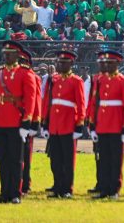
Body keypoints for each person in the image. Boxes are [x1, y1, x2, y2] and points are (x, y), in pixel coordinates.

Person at [0, 41, 37, 204]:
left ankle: (15, 192)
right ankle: (4, 192)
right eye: (5, 53)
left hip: (16, 122)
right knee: (2, 158)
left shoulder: (25, 73)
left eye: (10, 53)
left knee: (16, 159)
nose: (6, 55)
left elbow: (30, 99)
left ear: (17, 55)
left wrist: (26, 121)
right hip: (0, 122)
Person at [40, 50, 86, 199]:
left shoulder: (76, 81)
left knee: (67, 159)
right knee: (55, 160)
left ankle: (67, 188)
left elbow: (81, 103)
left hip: (68, 124)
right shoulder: (53, 80)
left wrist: (79, 124)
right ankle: (57, 186)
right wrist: (45, 123)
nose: (59, 64)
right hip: (54, 125)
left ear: (71, 64)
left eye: (63, 62)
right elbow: (47, 102)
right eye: (58, 62)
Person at [89, 50, 124, 200]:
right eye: (106, 62)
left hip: (116, 126)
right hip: (103, 125)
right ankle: (105, 188)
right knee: (104, 159)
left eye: (110, 62)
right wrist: (93, 125)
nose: (107, 65)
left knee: (115, 159)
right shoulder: (101, 80)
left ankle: (114, 188)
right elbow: (96, 104)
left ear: (117, 64)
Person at [18, 49, 41, 196]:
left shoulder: (33, 77)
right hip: (14, 120)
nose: (20, 64)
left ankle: (25, 183)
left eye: (23, 62)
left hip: (27, 120)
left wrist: (35, 122)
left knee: (25, 154)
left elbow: (36, 101)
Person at [86, 56, 109, 195]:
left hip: (108, 121)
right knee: (98, 155)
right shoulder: (96, 79)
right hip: (97, 120)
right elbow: (92, 101)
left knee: (107, 156)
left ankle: (107, 183)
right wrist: (90, 121)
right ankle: (100, 182)